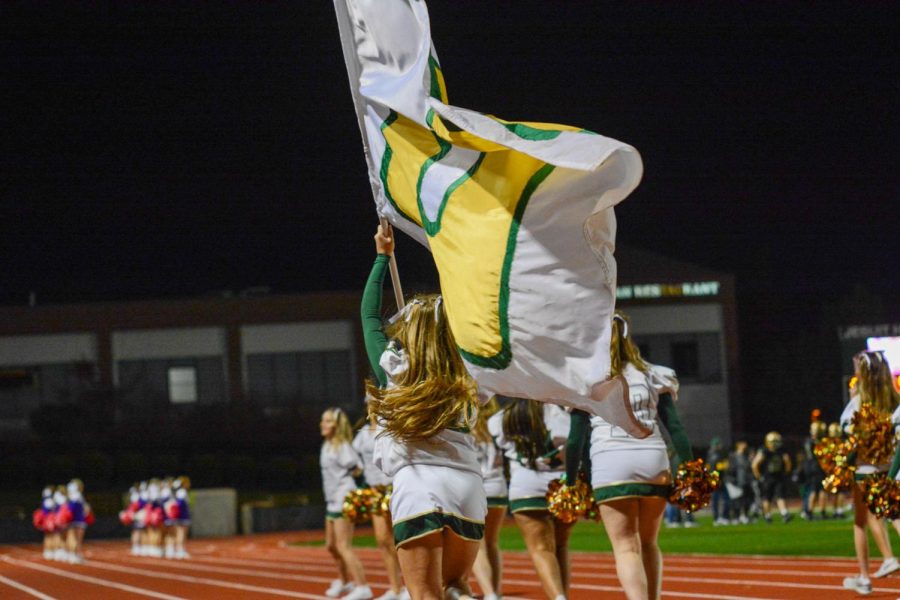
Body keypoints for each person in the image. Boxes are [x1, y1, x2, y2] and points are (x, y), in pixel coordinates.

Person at [363, 223, 485, 600]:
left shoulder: (394, 369)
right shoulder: (466, 376)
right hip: (468, 487)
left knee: (425, 594)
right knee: (457, 587)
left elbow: (369, 317)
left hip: (417, 484)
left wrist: (382, 257)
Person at [567, 310, 692, 600]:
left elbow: (576, 439)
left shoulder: (587, 378)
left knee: (626, 546)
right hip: (653, 459)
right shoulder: (652, 373)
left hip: (611, 461)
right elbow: (675, 426)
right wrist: (690, 469)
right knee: (649, 543)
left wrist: (571, 479)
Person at [498, 398, 572, 600]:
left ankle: (558, 597)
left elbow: (498, 438)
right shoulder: (563, 412)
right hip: (562, 482)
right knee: (561, 546)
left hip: (526, 484)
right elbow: (574, 442)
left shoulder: (505, 416)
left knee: (541, 549)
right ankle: (562, 594)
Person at [841, 350, 900, 595]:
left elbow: (849, 437)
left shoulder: (858, 402)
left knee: (861, 522)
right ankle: (875, 568)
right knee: (895, 517)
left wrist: (843, 462)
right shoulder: (895, 401)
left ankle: (866, 576)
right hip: (890, 469)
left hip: (866, 469)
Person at [352, 407, 406, 600]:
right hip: (375, 490)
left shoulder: (391, 427)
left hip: (393, 488)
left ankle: (409, 585)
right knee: (382, 539)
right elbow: (354, 461)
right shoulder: (363, 434)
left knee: (401, 538)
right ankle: (395, 588)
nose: (371, 406)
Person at [320, 407, 372, 600]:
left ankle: (363, 586)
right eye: (322, 421)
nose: (322, 424)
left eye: (327, 421)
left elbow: (358, 469)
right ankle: (344, 581)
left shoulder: (342, 447)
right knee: (331, 545)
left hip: (343, 499)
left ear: (337, 425)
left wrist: (358, 493)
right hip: (331, 500)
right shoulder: (327, 445)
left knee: (343, 546)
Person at [471, 396, 507, 600]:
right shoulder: (498, 423)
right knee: (493, 542)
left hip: (478, 486)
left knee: (479, 543)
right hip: (498, 486)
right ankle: (496, 590)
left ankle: (489, 593)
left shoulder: (468, 423)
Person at [751, 432, 793, 523]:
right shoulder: (765, 450)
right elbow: (755, 465)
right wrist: (759, 477)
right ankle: (773, 514)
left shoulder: (777, 450)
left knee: (775, 496)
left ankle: (779, 514)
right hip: (770, 476)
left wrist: (759, 477)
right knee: (769, 497)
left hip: (773, 476)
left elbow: (787, 462)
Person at [801, 420, 828, 520]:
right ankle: (816, 511)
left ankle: (810, 512)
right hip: (819, 467)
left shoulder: (808, 441)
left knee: (815, 490)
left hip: (811, 467)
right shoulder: (821, 442)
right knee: (819, 490)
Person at [726, 441, 754, 524]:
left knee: (747, 500)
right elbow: (730, 469)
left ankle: (744, 516)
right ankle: (736, 517)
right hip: (736, 481)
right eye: (743, 444)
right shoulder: (733, 456)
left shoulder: (746, 455)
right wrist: (732, 480)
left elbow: (749, 468)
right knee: (737, 500)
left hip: (746, 481)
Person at [707, 437, 731, 525]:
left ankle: (717, 518)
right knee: (725, 499)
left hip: (713, 480)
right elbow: (717, 469)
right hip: (717, 480)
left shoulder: (710, 454)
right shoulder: (717, 455)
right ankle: (722, 517)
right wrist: (718, 479)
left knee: (716, 500)